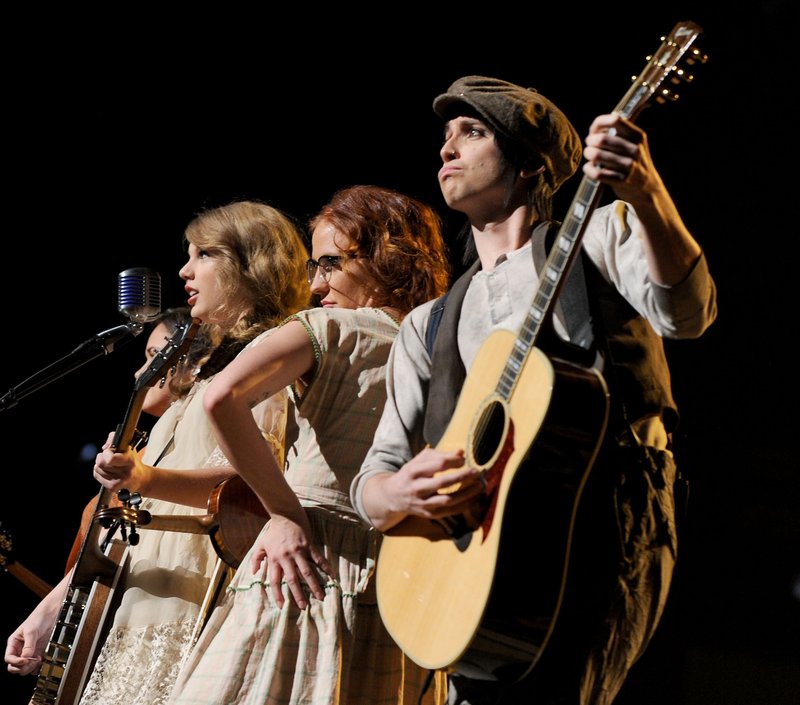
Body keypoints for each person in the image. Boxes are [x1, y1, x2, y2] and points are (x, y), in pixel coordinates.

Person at [351, 75, 718, 705]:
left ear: (528, 165)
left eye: (472, 132)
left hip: (600, 524)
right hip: (470, 562)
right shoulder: (428, 322)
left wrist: (647, 190)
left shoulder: (600, 237)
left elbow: (689, 314)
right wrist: (400, 489)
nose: (447, 149)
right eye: (445, 136)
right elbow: (372, 482)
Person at [148, 185, 451, 704]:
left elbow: (223, 397)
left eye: (330, 263)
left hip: (308, 558)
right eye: (314, 267)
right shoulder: (446, 346)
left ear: (384, 256)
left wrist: (283, 512)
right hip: (399, 578)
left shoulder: (329, 328)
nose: (315, 286)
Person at [5, 200, 310, 705]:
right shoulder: (202, 380)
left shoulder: (269, 359)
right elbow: (131, 519)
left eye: (203, 254)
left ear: (249, 263)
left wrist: (143, 477)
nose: (184, 270)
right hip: (144, 601)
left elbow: (249, 482)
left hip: (200, 601)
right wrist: (50, 609)